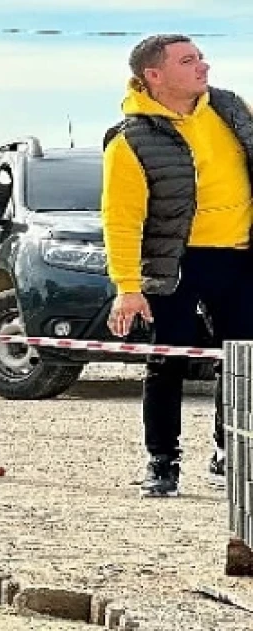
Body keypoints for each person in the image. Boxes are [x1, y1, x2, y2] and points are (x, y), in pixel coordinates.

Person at [102, 34, 253, 498]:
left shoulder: (231, 110)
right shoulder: (131, 140)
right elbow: (121, 219)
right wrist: (128, 286)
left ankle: (232, 450)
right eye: (189, 61)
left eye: (202, 57)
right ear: (155, 75)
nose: (203, 66)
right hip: (177, 261)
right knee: (168, 360)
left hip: (241, 256)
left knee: (242, 360)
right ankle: (162, 460)